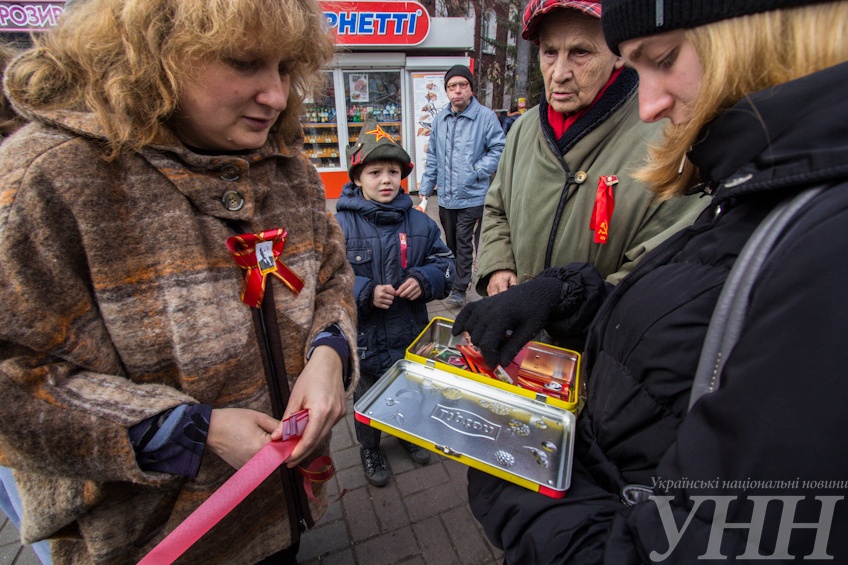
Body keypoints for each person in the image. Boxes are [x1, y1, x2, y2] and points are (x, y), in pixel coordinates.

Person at [452, 0, 848, 562]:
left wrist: (502, 451)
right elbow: (677, 299)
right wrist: (524, 282)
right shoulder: (755, 186)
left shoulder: (812, 242)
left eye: (660, 59)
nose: (650, 105)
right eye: (548, 53)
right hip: (569, 406)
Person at [0, 0, 357, 563]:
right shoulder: (48, 179)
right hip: (159, 539)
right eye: (243, 62)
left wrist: (330, 354)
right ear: (154, 52)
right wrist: (187, 430)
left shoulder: (289, 164)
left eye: (286, 68)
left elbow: (332, 273)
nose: (277, 96)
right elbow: (15, 378)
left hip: (281, 509)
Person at [475, 0, 707, 320]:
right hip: (519, 338)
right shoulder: (523, 129)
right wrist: (498, 264)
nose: (559, 74)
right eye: (550, 52)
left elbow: (661, 267)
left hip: (599, 350)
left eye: (580, 53)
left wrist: (568, 307)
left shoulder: (668, 140)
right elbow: (496, 207)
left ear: (617, 54)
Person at [335, 117, 455, 487]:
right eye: (375, 172)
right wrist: (365, 291)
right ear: (357, 178)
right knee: (367, 399)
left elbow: (445, 264)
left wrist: (425, 279)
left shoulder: (421, 223)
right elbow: (328, 279)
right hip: (366, 340)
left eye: (392, 171)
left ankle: (406, 433)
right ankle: (370, 446)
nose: (386, 180)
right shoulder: (339, 225)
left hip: (410, 335)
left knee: (409, 390)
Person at [418, 64, 505, 307]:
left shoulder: (485, 117)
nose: (457, 91)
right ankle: (455, 279)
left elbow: (499, 148)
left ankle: (459, 288)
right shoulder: (440, 119)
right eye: (452, 86)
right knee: (451, 242)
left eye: (462, 85)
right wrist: (425, 190)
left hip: (472, 196)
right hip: (446, 197)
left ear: (470, 89)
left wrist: (477, 171)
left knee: (464, 241)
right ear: (446, 91)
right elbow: (433, 155)